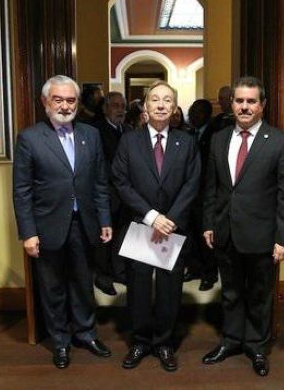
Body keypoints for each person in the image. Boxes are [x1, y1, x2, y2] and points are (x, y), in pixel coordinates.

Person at [202, 76, 284, 377]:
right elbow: (212, 187)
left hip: (262, 235)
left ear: (262, 105)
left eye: (251, 101)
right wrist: (209, 223)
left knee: (259, 295)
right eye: (239, 101)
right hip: (225, 231)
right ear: (231, 104)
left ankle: (257, 346)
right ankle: (231, 340)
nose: (244, 107)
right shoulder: (218, 139)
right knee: (230, 292)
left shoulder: (280, 142)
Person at [13, 75, 112, 369]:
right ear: (45, 102)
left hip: (85, 223)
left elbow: (100, 182)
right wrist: (28, 233)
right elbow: (22, 191)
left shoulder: (90, 135)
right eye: (58, 100)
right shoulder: (30, 138)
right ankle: (60, 342)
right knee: (53, 288)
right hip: (47, 227)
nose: (65, 106)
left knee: (83, 283)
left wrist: (104, 218)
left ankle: (86, 333)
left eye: (71, 100)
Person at [112, 80, 201, 372]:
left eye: (167, 100)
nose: (161, 105)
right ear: (145, 107)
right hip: (141, 225)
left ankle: (164, 343)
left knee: (169, 290)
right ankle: (140, 341)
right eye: (155, 100)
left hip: (173, 228)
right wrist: (152, 216)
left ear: (174, 108)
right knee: (138, 288)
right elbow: (121, 182)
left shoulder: (187, 142)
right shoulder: (129, 141)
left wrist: (170, 219)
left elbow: (192, 183)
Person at [93, 91, 132, 295]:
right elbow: (99, 164)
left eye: (123, 106)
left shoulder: (129, 130)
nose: (120, 110)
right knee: (105, 238)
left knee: (122, 235)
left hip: (127, 195)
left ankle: (119, 272)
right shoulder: (95, 131)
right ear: (105, 108)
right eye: (115, 105)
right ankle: (103, 277)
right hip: (106, 193)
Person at [184, 99, 219, 291]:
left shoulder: (215, 134)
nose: (193, 116)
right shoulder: (190, 134)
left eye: (197, 112)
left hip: (206, 193)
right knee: (191, 235)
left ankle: (209, 273)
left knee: (206, 235)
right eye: (191, 112)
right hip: (190, 194)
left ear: (207, 114)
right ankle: (194, 268)